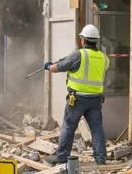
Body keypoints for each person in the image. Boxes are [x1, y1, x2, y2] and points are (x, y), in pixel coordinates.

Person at [44, 24, 110, 165]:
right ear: (96, 41)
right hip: (96, 100)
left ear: (84, 40)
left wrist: (48, 66)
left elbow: (58, 68)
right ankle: (101, 158)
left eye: (81, 38)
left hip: (77, 99)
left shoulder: (79, 54)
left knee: (69, 126)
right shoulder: (104, 58)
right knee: (97, 128)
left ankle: (61, 156)